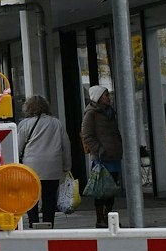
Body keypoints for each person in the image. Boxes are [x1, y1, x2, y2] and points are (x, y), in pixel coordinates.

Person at [16, 95, 71, 228]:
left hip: (31, 166)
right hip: (53, 166)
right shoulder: (57, 123)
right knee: (49, 197)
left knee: (31, 196)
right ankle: (48, 223)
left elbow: (18, 146)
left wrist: (15, 164)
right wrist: (67, 166)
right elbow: (66, 145)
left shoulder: (25, 124)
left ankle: (33, 222)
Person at [80, 85, 123, 229]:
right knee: (100, 190)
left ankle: (108, 216)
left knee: (111, 189)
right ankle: (100, 218)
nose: (108, 98)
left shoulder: (110, 112)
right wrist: (99, 150)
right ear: (98, 97)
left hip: (113, 155)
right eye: (106, 95)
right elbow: (87, 135)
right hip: (101, 158)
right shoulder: (91, 113)